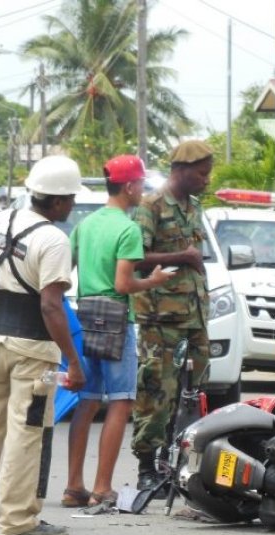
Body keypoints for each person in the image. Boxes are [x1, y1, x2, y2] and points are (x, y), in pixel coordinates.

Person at [0, 155, 86, 535]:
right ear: (58, 202)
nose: (71, 207)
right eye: (70, 200)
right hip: (33, 351)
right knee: (27, 433)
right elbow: (50, 305)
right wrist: (74, 363)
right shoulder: (53, 240)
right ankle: (18, 520)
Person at [62, 155, 174, 509]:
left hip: (85, 313)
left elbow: (68, 272)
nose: (142, 190)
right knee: (122, 400)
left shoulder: (86, 224)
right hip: (114, 317)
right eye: (141, 183)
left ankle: (73, 486)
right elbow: (123, 283)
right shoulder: (127, 229)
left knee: (88, 398)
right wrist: (153, 281)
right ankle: (102, 487)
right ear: (129, 187)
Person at [132, 140, 213, 492]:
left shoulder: (193, 206)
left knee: (193, 393)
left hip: (194, 316)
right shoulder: (150, 206)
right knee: (156, 391)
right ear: (180, 170)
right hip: (161, 318)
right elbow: (134, 257)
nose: (206, 180)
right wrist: (182, 256)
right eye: (201, 173)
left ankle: (175, 464)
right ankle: (147, 469)